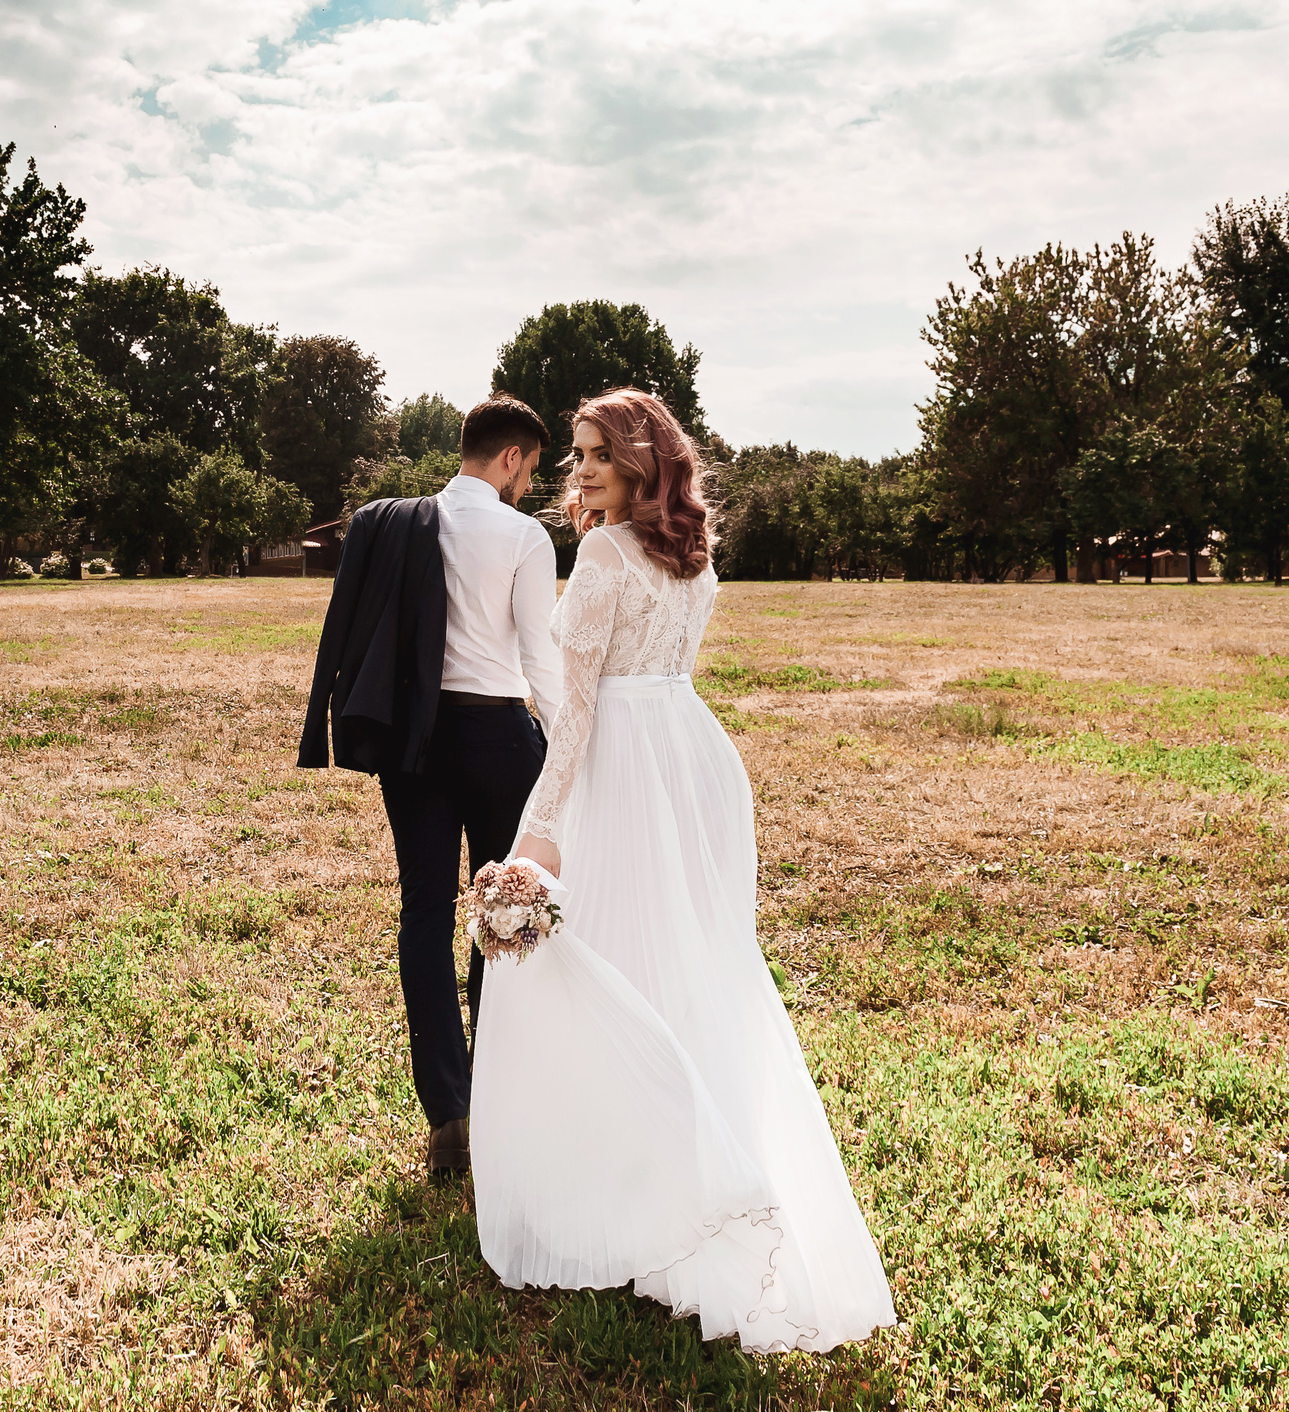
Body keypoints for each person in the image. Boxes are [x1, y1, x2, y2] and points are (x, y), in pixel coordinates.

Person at [469, 387, 895, 1354]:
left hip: (625, 768)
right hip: (693, 760)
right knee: (693, 964)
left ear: (639, 461)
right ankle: (689, 1164)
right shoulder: (693, 556)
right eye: (576, 456)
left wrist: (539, 831)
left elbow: (578, 711)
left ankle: (654, 1187)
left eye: (596, 456)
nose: (581, 472)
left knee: (616, 959)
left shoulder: (604, 556)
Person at [300, 393, 562, 1182]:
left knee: (423, 909)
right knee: (502, 909)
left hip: (414, 735)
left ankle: (447, 1114)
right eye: (529, 469)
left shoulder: (394, 521)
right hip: (497, 736)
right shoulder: (523, 536)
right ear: (510, 457)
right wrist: (566, 743)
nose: (527, 485)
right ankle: (496, 1086)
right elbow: (539, 657)